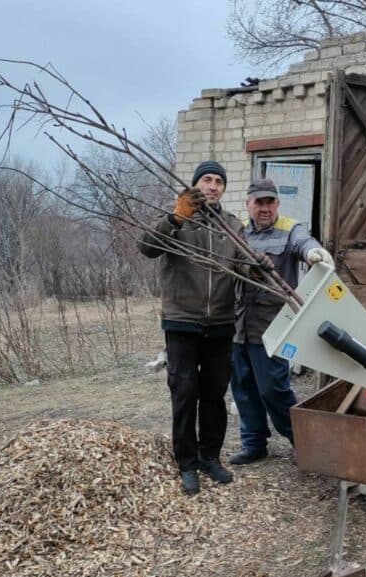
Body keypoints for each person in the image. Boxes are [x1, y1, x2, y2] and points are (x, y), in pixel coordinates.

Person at [138, 160, 244, 495]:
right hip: (182, 320)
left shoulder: (232, 226)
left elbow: (245, 264)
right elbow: (147, 247)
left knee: (214, 393)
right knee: (185, 393)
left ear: (224, 188)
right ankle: (186, 463)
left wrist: (258, 268)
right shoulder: (178, 220)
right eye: (207, 180)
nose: (213, 186)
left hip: (222, 322)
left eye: (218, 182)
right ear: (196, 185)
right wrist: (174, 218)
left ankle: (209, 457)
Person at [229, 178, 333, 465]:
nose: (265, 208)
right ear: (248, 204)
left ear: (278, 203)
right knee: (244, 388)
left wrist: (313, 253)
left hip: (272, 325)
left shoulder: (289, 229)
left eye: (270, 202)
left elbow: (303, 242)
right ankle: (254, 444)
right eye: (259, 202)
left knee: (273, 388)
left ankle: (304, 442)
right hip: (239, 324)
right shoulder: (238, 233)